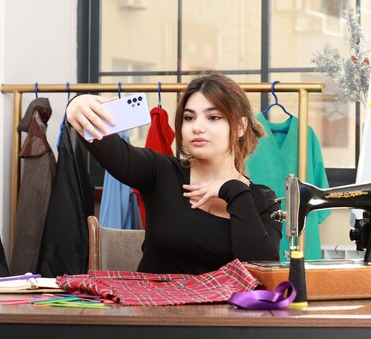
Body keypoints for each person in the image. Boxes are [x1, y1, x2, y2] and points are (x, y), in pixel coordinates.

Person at [67, 72, 281, 274]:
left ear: (241, 126)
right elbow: (108, 147)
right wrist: (77, 104)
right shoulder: (160, 172)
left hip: (224, 312)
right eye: (189, 118)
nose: (197, 127)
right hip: (152, 308)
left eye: (213, 117)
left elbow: (261, 274)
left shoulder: (264, 201)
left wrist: (232, 190)